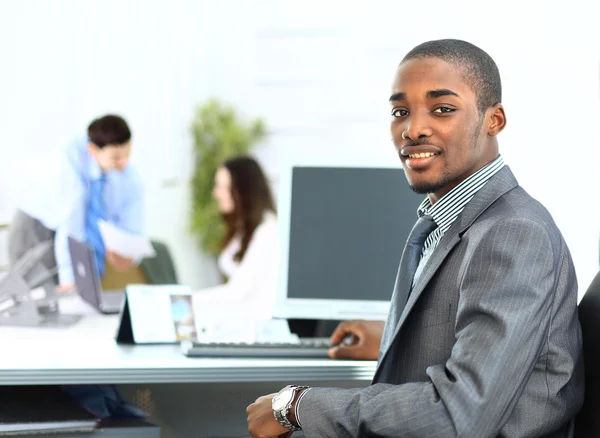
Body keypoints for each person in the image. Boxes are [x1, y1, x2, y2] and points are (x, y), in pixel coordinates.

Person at [246, 39, 583, 437]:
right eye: (400, 112)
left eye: (442, 109)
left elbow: (460, 414)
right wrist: (397, 336)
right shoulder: (452, 220)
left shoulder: (512, 232)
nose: (413, 129)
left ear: (494, 120)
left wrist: (298, 405)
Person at [8, 114, 144, 291]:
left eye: (127, 154)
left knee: (84, 298)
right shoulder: (70, 162)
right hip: (38, 227)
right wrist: (69, 282)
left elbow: (133, 226)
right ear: (93, 150)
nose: (124, 163)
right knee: (38, 298)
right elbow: (71, 224)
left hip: (75, 235)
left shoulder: (128, 176)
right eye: (116, 157)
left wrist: (130, 255)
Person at [193, 156, 278, 319]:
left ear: (241, 191)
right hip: (237, 320)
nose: (215, 193)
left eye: (221, 187)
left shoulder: (267, 231)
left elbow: (238, 292)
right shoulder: (243, 229)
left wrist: (188, 300)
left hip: (256, 327)